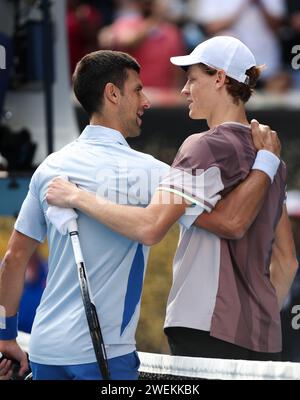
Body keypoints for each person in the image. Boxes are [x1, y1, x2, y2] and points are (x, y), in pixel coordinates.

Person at [0, 48, 288, 381]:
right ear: (112, 94)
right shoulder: (152, 173)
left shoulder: (49, 168)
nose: (146, 102)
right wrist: (266, 163)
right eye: (138, 90)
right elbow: (229, 222)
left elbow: (13, 259)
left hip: (46, 351)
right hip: (106, 356)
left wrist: (5, 336)